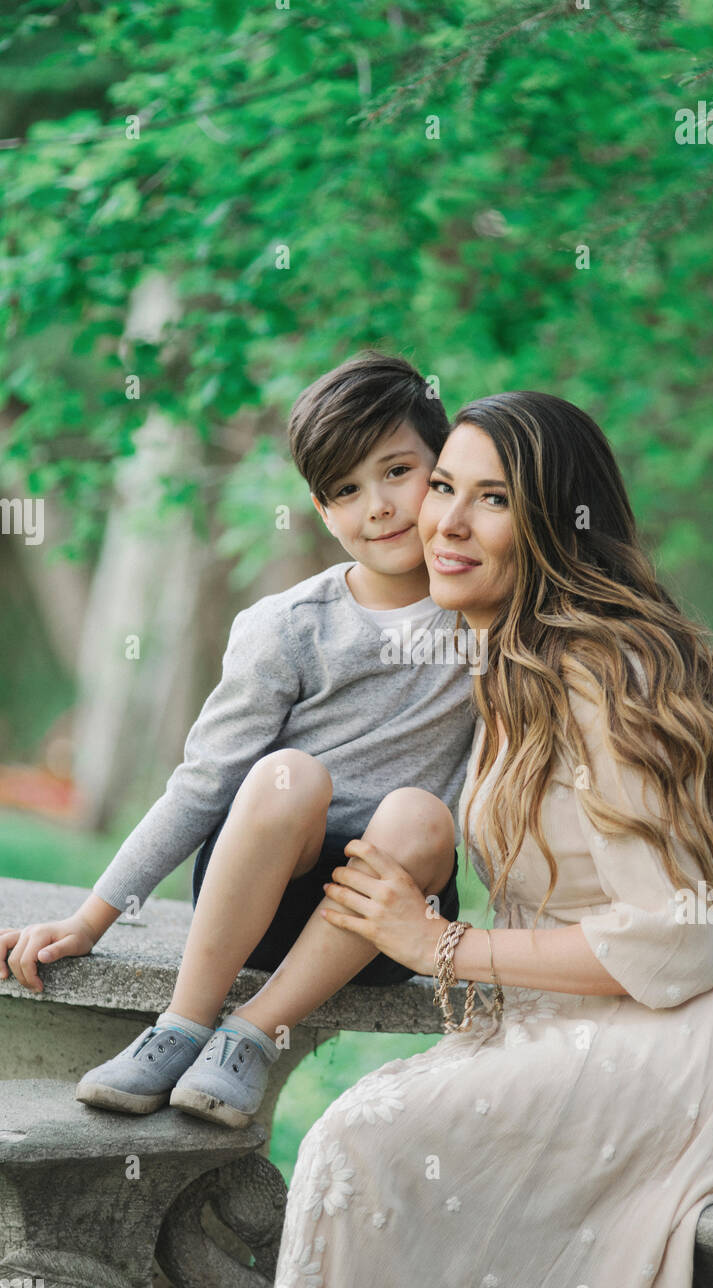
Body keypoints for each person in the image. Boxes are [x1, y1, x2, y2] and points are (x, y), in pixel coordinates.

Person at [270, 390, 713, 1288]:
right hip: (656, 1013)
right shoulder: (510, 657)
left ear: (554, 523)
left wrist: (439, 947)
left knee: (363, 1137)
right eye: (441, 486)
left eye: (495, 499)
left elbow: (675, 940)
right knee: (385, 1140)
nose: (449, 523)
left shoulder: (597, 672)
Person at [0, 352, 480, 1129]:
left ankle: (250, 1037)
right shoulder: (288, 627)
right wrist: (91, 919)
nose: (380, 506)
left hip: (388, 918)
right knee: (287, 773)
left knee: (421, 814)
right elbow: (202, 785)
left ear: (444, 470)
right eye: (347, 490)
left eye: (399, 471)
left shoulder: (490, 620)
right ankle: (182, 1026)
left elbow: (503, 784)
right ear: (323, 513)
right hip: (258, 897)